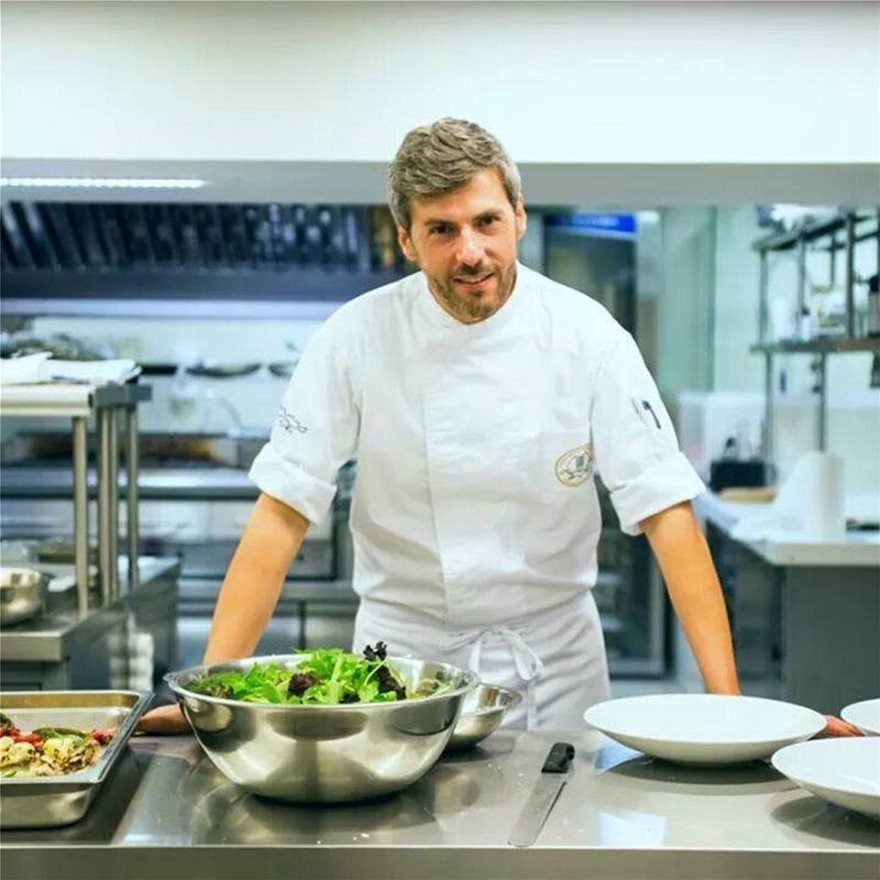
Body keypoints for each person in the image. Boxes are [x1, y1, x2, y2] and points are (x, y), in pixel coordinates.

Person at [142, 118, 857, 735]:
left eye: (485, 221)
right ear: (406, 239)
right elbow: (282, 513)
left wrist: (728, 704)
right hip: (401, 665)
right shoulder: (355, 338)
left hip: (555, 665)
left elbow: (667, 512)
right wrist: (207, 697)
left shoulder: (586, 336)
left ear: (518, 215)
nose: (470, 252)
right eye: (442, 230)